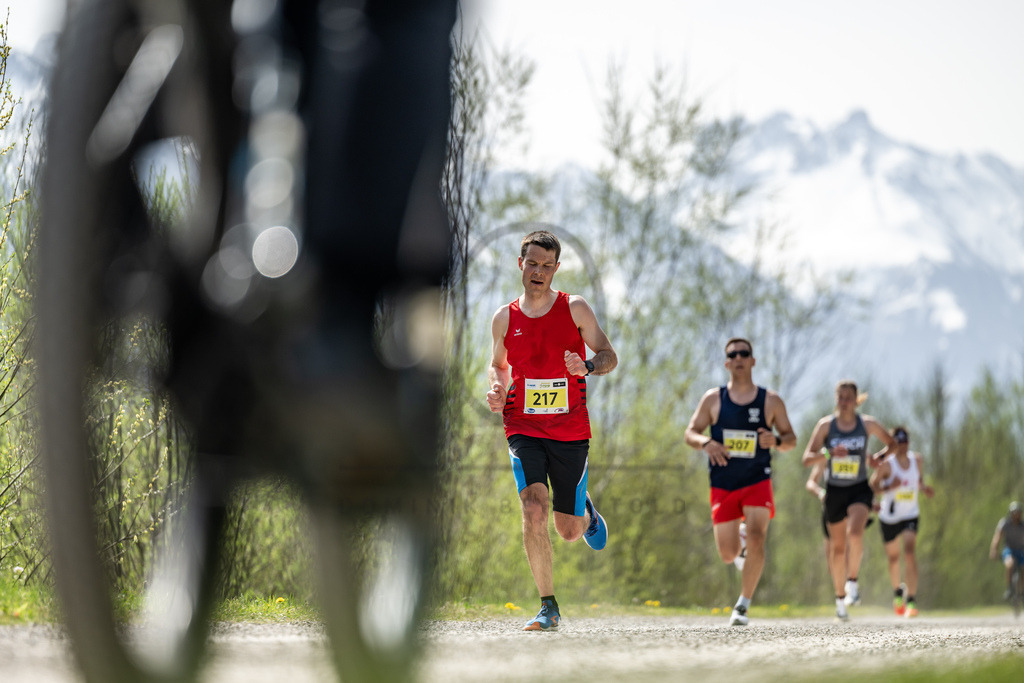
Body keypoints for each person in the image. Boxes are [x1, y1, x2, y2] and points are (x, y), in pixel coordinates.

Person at [486, 230, 618, 631]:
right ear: (520, 264)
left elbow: (609, 355)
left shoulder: (575, 308)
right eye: (532, 263)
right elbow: (498, 365)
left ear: (556, 268)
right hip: (522, 424)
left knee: (568, 531)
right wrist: (497, 388)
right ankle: (548, 606)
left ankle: (584, 511)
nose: (538, 271)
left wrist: (588, 366)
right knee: (532, 507)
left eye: (547, 265)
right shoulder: (505, 317)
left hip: (569, 429)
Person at [684, 338, 797, 627]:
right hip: (723, 482)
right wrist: (706, 443)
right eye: (732, 355)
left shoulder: (770, 400)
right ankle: (741, 540)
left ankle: (742, 606)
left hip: (757, 479)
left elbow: (791, 440)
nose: (738, 358)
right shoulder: (713, 399)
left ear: (753, 360)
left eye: (744, 353)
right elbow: (690, 433)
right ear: (726, 363)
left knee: (759, 537)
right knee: (727, 554)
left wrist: (776, 441)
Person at [802, 380, 895, 621]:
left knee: (855, 533)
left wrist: (878, 458)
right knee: (838, 549)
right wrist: (828, 453)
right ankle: (840, 600)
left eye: (848, 398)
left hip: (859, 489)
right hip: (834, 491)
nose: (844, 402)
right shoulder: (825, 426)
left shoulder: (867, 424)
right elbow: (807, 458)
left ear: (856, 401)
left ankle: (852, 581)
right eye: (840, 397)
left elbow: (892, 443)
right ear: (836, 399)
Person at [869, 426, 935, 617]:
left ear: (908, 442)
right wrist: (889, 486)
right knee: (894, 558)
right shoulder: (886, 465)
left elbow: (918, 480)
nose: (902, 445)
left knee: (909, 553)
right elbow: (873, 486)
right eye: (898, 442)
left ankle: (911, 601)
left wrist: (924, 488)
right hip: (889, 516)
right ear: (892, 444)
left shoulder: (917, 460)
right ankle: (897, 593)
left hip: (910, 514)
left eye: (905, 441)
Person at [989, 501, 1024, 602]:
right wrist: (994, 550)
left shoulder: (1022, 525)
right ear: (1010, 513)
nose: (1016, 515)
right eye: (1014, 513)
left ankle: (1022, 592)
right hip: (1008, 549)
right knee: (1009, 564)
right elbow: (997, 537)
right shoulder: (1005, 523)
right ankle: (1009, 589)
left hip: (1021, 550)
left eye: (1018, 513)